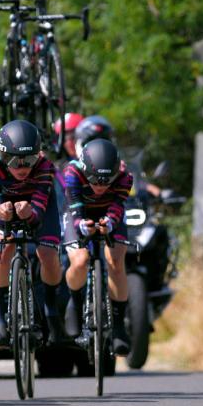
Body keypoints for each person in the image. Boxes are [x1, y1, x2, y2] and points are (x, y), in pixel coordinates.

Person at [0, 120, 66, 346]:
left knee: (48, 255)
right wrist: (2, 214)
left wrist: (29, 214)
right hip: (3, 203)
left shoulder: (45, 167)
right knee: (3, 251)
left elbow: (39, 213)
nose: (22, 167)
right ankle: (1, 320)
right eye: (14, 160)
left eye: (29, 160)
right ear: (2, 156)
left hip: (37, 206)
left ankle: (51, 311)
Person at [63, 139, 133, 355]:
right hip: (78, 213)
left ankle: (119, 326)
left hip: (110, 214)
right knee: (80, 260)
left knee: (115, 261)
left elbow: (118, 205)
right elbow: (75, 208)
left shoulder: (124, 176)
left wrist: (110, 222)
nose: (101, 187)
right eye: (95, 181)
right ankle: (75, 304)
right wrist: (82, 225)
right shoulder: (72, 173)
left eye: (106, 181)